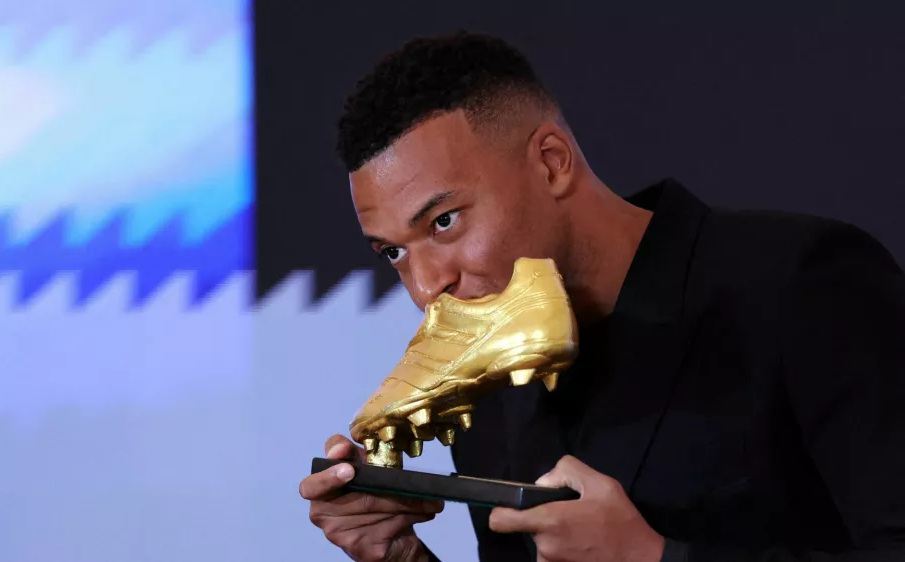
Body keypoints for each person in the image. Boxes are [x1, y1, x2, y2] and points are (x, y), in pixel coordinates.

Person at [297, 30, 905, 562]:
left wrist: (655, 558)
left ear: (552, 162)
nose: (427, 286)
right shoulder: (490, 395)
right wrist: (401, 557)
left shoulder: (802, 282)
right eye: (393, 252)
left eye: (444, 222)